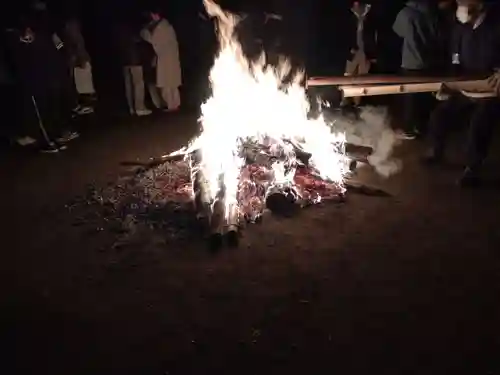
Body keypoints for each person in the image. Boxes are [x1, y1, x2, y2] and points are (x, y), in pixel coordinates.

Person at [422, 0, 500, 187]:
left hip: (490, 91)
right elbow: (455, 60)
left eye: (466, 1)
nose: (461, 4)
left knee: (479, 125)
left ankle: (472, 168)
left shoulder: (496, 27)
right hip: (465, 88)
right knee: (440, 114)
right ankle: (436, 150)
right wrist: (448, 85)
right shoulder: (459, 30)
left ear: (480, 5)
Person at [6, 16, 78, 153]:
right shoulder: (17, 39)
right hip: (33, 79)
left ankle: (55, 135)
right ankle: (47, 139)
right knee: (40, 109)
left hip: (45, 76)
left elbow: (58, 48)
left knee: (51, 105)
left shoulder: (44, 35)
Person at [393, 0, 444, 139]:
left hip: (411, 62)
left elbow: (398, 31)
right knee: (426, 97)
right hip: (430, 62)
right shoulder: (434, 13)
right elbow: (438, 35)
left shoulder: (406, 13)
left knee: (410, 97)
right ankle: (423, 127)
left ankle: (409, 129)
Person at [140, 9, 182, 112]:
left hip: (165, 59)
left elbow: (154, 41)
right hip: (172, 58)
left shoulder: (161, 27)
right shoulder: (168, 26)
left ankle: (171, 105)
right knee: (172, 84)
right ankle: (175, 104)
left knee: (166, 84)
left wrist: (145, 33)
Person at [343, 1, 378, 106]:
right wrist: (349, 49)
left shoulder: (370, 18)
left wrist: (372, 55)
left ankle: (357, 103)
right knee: (348, 77)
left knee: (362, 79)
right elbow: (342, 36)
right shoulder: (348, 18)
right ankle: (345, 101)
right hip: (353, 53)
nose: (357, 6)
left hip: (364, 52)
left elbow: (374, 38)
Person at [118, 22, 154, 116]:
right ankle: (139, 107)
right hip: (135, 59)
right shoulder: (134, 27)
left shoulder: (119, 28)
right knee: (138, 83)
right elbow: (139, 40)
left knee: (128, 85)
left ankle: (131, 108)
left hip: (124, 59)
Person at [62, 17, 96, 112]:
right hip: (76, 61)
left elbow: (78, 47)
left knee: (84, 86)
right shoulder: (68, 37)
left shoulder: (75, 37)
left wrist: (80, 60)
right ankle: (84, 106)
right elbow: (64, 47)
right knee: (81, 86)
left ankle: (87, 106)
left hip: (80, 61)